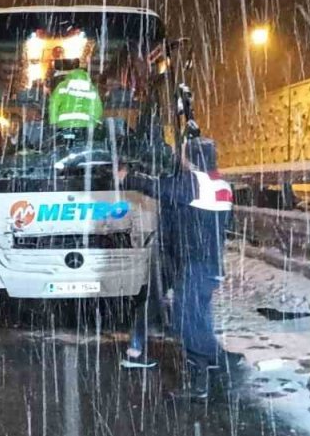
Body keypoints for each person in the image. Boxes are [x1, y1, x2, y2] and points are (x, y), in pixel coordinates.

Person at [122, 139, 238, 399]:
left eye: (182, 154)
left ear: (192, 158)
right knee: (196, 318)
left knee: (185, 320)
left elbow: (156, 187)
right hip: (207, 264)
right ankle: (210, 372)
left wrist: (128, 177)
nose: (179, 158)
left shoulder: (195, 182)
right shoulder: (219, 183)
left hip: (196, 265)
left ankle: (213, 367)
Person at [48, 58, 104, 129]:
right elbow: (97, 107)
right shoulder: (91, 88)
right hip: (86, 125)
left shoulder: (62, 86)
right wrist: (96, 122)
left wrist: (53, 122)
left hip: (64, 124)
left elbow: (54, 104)